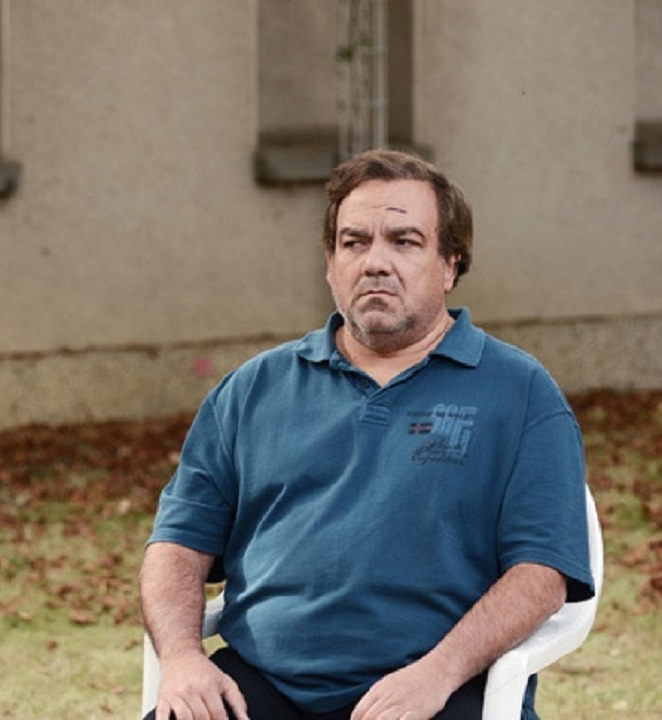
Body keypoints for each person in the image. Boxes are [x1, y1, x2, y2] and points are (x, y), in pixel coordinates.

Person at [140, 149, 593, 720]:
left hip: (438, 687)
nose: (376, 262)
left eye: (405, 242)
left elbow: (543, 574)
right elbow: (177, 545)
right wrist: (182, 657)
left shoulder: (520, 393)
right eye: (354, 242)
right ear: (331, 263)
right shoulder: (252, 390)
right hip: (261, 684)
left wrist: (438, 673)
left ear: (449, 264)